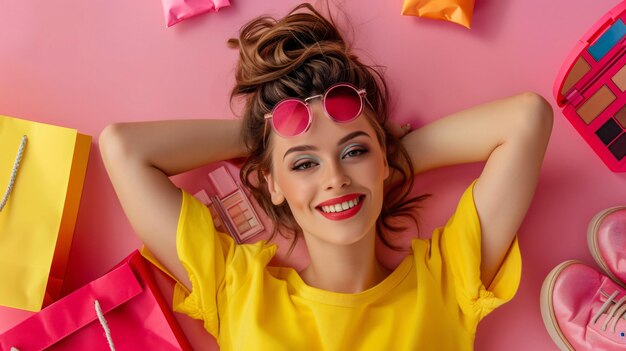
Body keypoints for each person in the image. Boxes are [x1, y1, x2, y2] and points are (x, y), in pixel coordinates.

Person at [99, 3, 552, 350]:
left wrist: (387, 164)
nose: (335, 177)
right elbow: (123, 148)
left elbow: (526, 121)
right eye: (303, 164)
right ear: (271, 183)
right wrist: (265, 137)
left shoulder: (447, 283)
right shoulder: (238, 291)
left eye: (353, 151)